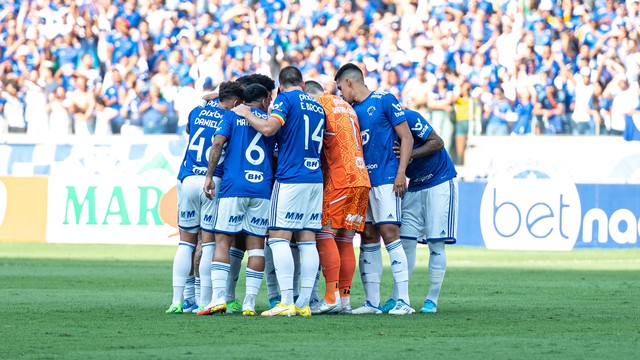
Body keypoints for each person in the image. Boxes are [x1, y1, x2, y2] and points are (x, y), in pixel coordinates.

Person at [231, 66, 325, 317]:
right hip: (315, 178)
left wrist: (244, 112)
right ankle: (304, 302)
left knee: (278, 238)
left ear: (281, 86)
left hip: (292, 177)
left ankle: (285, 301)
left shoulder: (285, 99)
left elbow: (269, 128)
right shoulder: (318, 104)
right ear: (303, 83)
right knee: (307, 240)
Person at [334, 63, 414, 315]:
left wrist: (401, 172)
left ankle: (404, 300)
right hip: (362, 181)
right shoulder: (349, 110)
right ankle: (372, 302)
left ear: (349, 82)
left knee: (389, 233)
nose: (340, 94)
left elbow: (407, 137)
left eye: (339, 88)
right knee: (367, 236)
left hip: (386, 178)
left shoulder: (384, 100)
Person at [165, 81, 244, 314]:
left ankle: (177, 301)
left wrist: (207, 97)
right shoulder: (229, 119)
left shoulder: (197, 112)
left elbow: (190, 128)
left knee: (185, 242)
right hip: (212, 181)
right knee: (209, 242)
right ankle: (203, 300)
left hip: (187, 179)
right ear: (236, 102)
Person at [197, 83, 275, 316]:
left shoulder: (231, 117)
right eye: (268, 100)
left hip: (234, 186)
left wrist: (209, 175)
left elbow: (218, 144)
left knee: (222, 240)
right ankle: (249, 302)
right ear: (263, 101)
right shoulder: (271, 122)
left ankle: (219, 298)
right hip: (262, 189)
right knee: (256, 247)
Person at [304, 80, 371, 314]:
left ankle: (330, 296)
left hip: (340, 178)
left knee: (324, 234)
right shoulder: (345, 106)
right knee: (344, 239)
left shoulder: (319, 106)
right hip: (361, 177)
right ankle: (344, 301)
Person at [394, 109, 458, 314]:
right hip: (414, 185)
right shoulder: (381, 129)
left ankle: (432, 298)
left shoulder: (409, 117)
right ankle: (398, 296)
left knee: (436, 242)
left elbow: (437, 142)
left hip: (439, 180)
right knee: (405, 242)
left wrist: (409, 153)